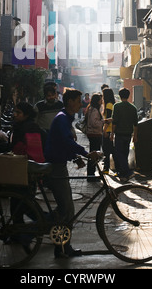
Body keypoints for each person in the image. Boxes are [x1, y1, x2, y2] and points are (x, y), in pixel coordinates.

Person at [44, 88, 100, 258]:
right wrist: (85, 153)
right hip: (55, 167)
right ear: (70, 102)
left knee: (64, 209)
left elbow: (63, 144)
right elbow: (66, 141)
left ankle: (61, 246)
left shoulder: (65, 118)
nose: (80, 104)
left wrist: (75, 158)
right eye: (78, 100)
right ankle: (62, 247)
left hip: (58, 164)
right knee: (67, 209)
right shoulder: (62, 119)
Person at [112, 88, 138, 182]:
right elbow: (135, 124)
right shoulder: (133, 107)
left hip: (119, 134)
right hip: (128, 134)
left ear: (119, 95)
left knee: (119, 153)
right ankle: (123, 175)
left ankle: (127, 172)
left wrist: (111, 134)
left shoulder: (117, 106)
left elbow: (114, 122)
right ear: (128, 95)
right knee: (125, 153)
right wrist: (135, 136)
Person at [85, 93, 104, 181]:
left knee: (93, 154)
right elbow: (94, 123)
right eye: (100, 99)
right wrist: (103, 122)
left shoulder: (92, 109)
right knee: (94, 155)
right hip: (95, 134)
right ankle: (91, 175)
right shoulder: (94, 110)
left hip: (93, 134)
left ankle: (91, 174)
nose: (101, 101)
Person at [102, 88, 115, 173]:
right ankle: (108, 168)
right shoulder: (111, 104)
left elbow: (109, 119)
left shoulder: (108, 105)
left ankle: (106, 168)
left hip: (108, 130)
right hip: (110, 130)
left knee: (107, 150)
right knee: (110, 150)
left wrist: (104, 130)